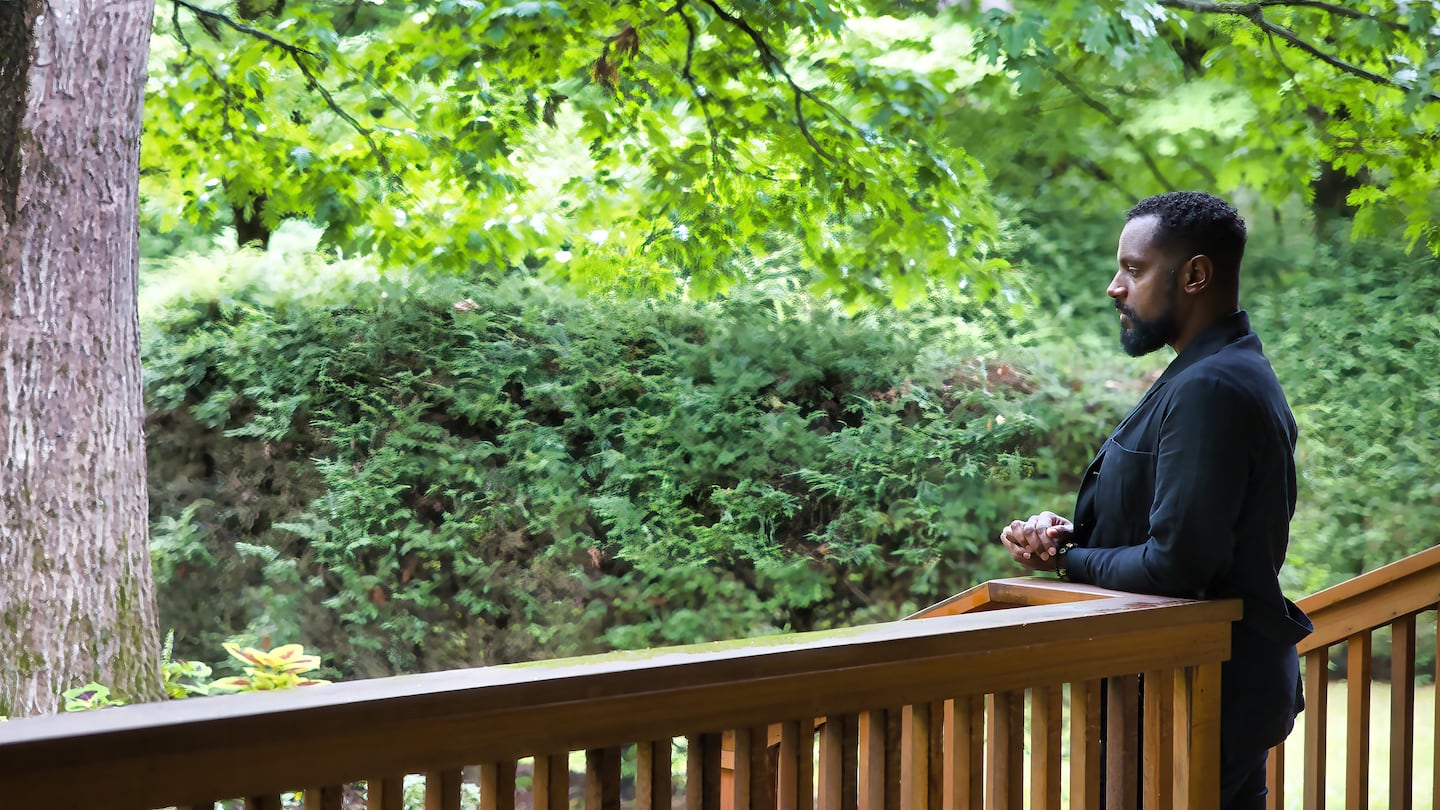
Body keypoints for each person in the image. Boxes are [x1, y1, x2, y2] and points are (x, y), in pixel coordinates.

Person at [999, 191, 1312, 809]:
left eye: (1134, 270)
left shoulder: (1213, 386)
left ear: (1195, 274)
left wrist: (1069, 562)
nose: (1116, 287)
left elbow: (1178, 564)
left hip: (1201, 696)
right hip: (1193, 691)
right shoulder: (1214, 370)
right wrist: (1072, 537)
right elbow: (1174, 529)